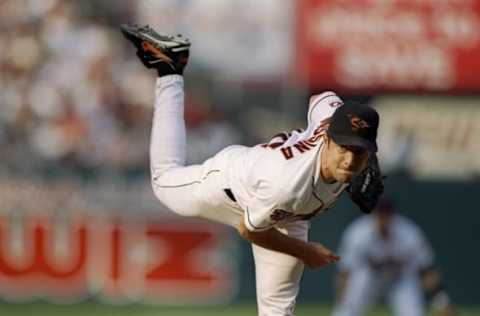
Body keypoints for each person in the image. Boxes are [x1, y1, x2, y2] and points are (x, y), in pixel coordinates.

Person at [120, 24, 380, 316]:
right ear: (329, 140)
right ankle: (169, 70)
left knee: (278, 311)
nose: (349, 159)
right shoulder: (287, 181)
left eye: (359, 151)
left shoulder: (334, 121)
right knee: (163, 181)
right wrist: (304, 251)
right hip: (234, 188)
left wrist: (366, 156)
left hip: (290, 214)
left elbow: (320, 98)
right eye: (344, 147)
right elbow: (250, 229)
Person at [332, 198, 456, 316]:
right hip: (369, 279)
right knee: (345, 310)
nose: (382, 218)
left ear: (393, 215)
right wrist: (342, 300)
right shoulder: (357, 233)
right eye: (379, 214)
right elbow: (345, 271)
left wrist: (442, 302)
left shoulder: (409, 234)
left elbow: (426, 270)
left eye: (386, 214)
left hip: (400, 280)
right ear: (372, 214)